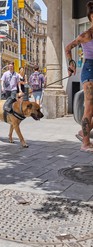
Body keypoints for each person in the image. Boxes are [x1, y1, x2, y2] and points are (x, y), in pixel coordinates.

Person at [65, 1, 93, 152]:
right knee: (89, 107)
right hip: (90, 70)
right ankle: (85, 143)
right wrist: (71, 63)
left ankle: (84, 132)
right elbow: (68, 48)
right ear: (90, 18)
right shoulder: (86, 35)